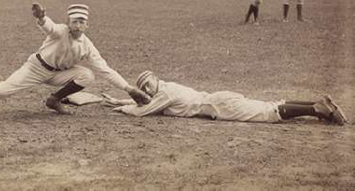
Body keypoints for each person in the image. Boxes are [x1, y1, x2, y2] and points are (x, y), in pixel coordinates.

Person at [0, 3, 148, 123]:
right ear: (68, 22)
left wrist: (129, 88)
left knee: (88, 74)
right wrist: (41, 17)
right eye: (74, 21)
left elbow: (106, 70)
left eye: (81, 22)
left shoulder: (87, 45)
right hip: (35, 68)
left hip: (59, 74)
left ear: (87, 25)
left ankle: (54, 100)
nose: (77, 25)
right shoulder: (60, 31)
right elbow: (48, 26)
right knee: (2, 91)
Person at [102, 70, 348, 126]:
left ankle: (318, 109)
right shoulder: (165, 88)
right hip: (217, 101)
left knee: (267, 113)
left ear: (156, 79)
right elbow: (148, 102)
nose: (147, 88)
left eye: (148, 83)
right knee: (267, 106)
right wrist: (121, 100)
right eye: (145, 87)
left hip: (218, 105)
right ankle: (316, 103)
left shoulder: (164, 93)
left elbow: (145, 110)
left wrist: (125, 109)